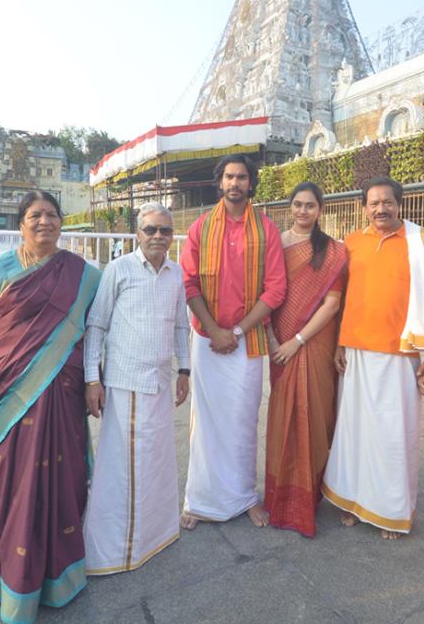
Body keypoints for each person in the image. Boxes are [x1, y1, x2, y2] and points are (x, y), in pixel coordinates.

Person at [0, 191, 100, 624]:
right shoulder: (0, 269)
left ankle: (59, 579)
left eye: (52, 215)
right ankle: (11, 581)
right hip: (6, 398)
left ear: (62, 223)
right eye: (35, 215)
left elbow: (99, 329)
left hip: (62, 397)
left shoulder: (82, 275)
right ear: (20, 224)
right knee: (10, 487)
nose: (44, 222)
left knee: (63, 482)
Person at [322, 177, 424, 539]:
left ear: (399, 204)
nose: (381, 209)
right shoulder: (351, 243)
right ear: (364, 207)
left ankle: (390, 512)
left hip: (400, 353)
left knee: (394, 436)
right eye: (373, 203)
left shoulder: (422, 241)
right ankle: (357, 503)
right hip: (357, 349)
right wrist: (339, 343)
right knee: (356, 433)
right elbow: (344, 297)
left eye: (387, 202)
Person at [82, 203, 190, 574]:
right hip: (125, 382)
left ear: (172, 235)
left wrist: (184, 369)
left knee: (156, 460)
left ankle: (154, 535)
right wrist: (91, 379)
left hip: (159, 381)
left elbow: (180, 326)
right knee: (123, 465)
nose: (158, 236)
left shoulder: (176, 273)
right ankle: (115, 548)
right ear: (137, 233)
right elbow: (96, 325)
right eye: (150, 229)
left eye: (165, 230)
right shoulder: (119, 269)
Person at [180, 154, 286, 529]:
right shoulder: (200, 228)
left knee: (242, 419)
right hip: (207, 339)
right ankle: (199, 499)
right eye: (229, 176)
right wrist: (214, 330)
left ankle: (244, 497)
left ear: (250, 183)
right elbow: (189, 283)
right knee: (205, 420)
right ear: (220, 181)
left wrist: (236, 332)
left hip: (247, 340)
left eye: (241, 177)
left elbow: (275, 290)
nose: (235, 183)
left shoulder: (266, 230)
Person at [264, 182, 347, 537]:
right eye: (297, 204)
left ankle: (307, 500)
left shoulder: (333, 251)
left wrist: (296, 341)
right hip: (279, 343)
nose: (303, 211)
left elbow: (332, 304)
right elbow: (265, 295)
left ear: (320, 210)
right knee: (282, 418)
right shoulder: (274, 245)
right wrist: (273, 340)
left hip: (313, 343)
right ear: (290, 206)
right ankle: (280, 499)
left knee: (313, 416)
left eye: (310, 205)